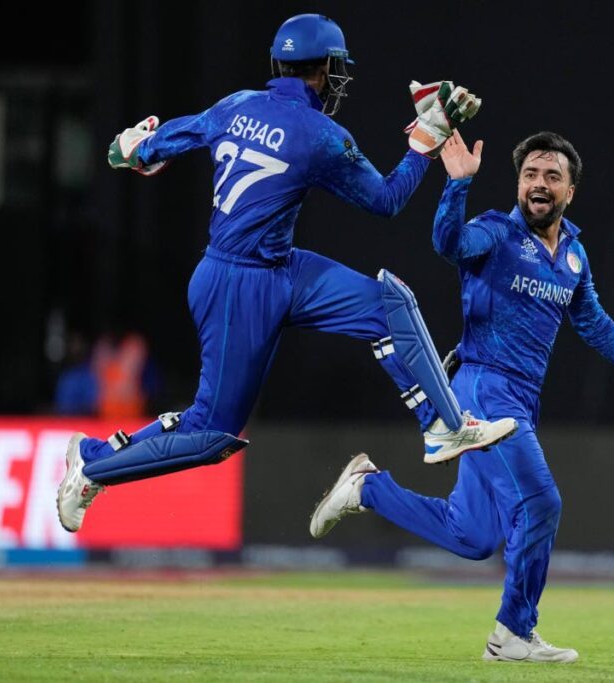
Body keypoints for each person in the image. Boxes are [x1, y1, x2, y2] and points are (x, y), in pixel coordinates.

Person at [56, 14, 517, 533]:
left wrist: (133, 149)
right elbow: (387, 201)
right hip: (240, 284)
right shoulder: (320, 134)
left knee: (387, 304)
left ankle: (443, 426)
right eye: (337, 68)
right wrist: (426, 140)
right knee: (210, 434)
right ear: (325, 69)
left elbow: (138, 150)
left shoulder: (236, 105)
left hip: (278, 268)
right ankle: (92, 467)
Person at [309, 130, 614, 663]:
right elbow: (448, 245)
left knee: (472, 535)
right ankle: (512, 634)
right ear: (517, 183)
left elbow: (593, 322)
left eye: (551, 176)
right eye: (529, 175)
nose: (538, 185)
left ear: (571, 191)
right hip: (482, 388)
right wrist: (456, 186)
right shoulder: (494, 234)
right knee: (541, 503)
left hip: (520, 399)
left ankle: (367, 489)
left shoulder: (573, 255)